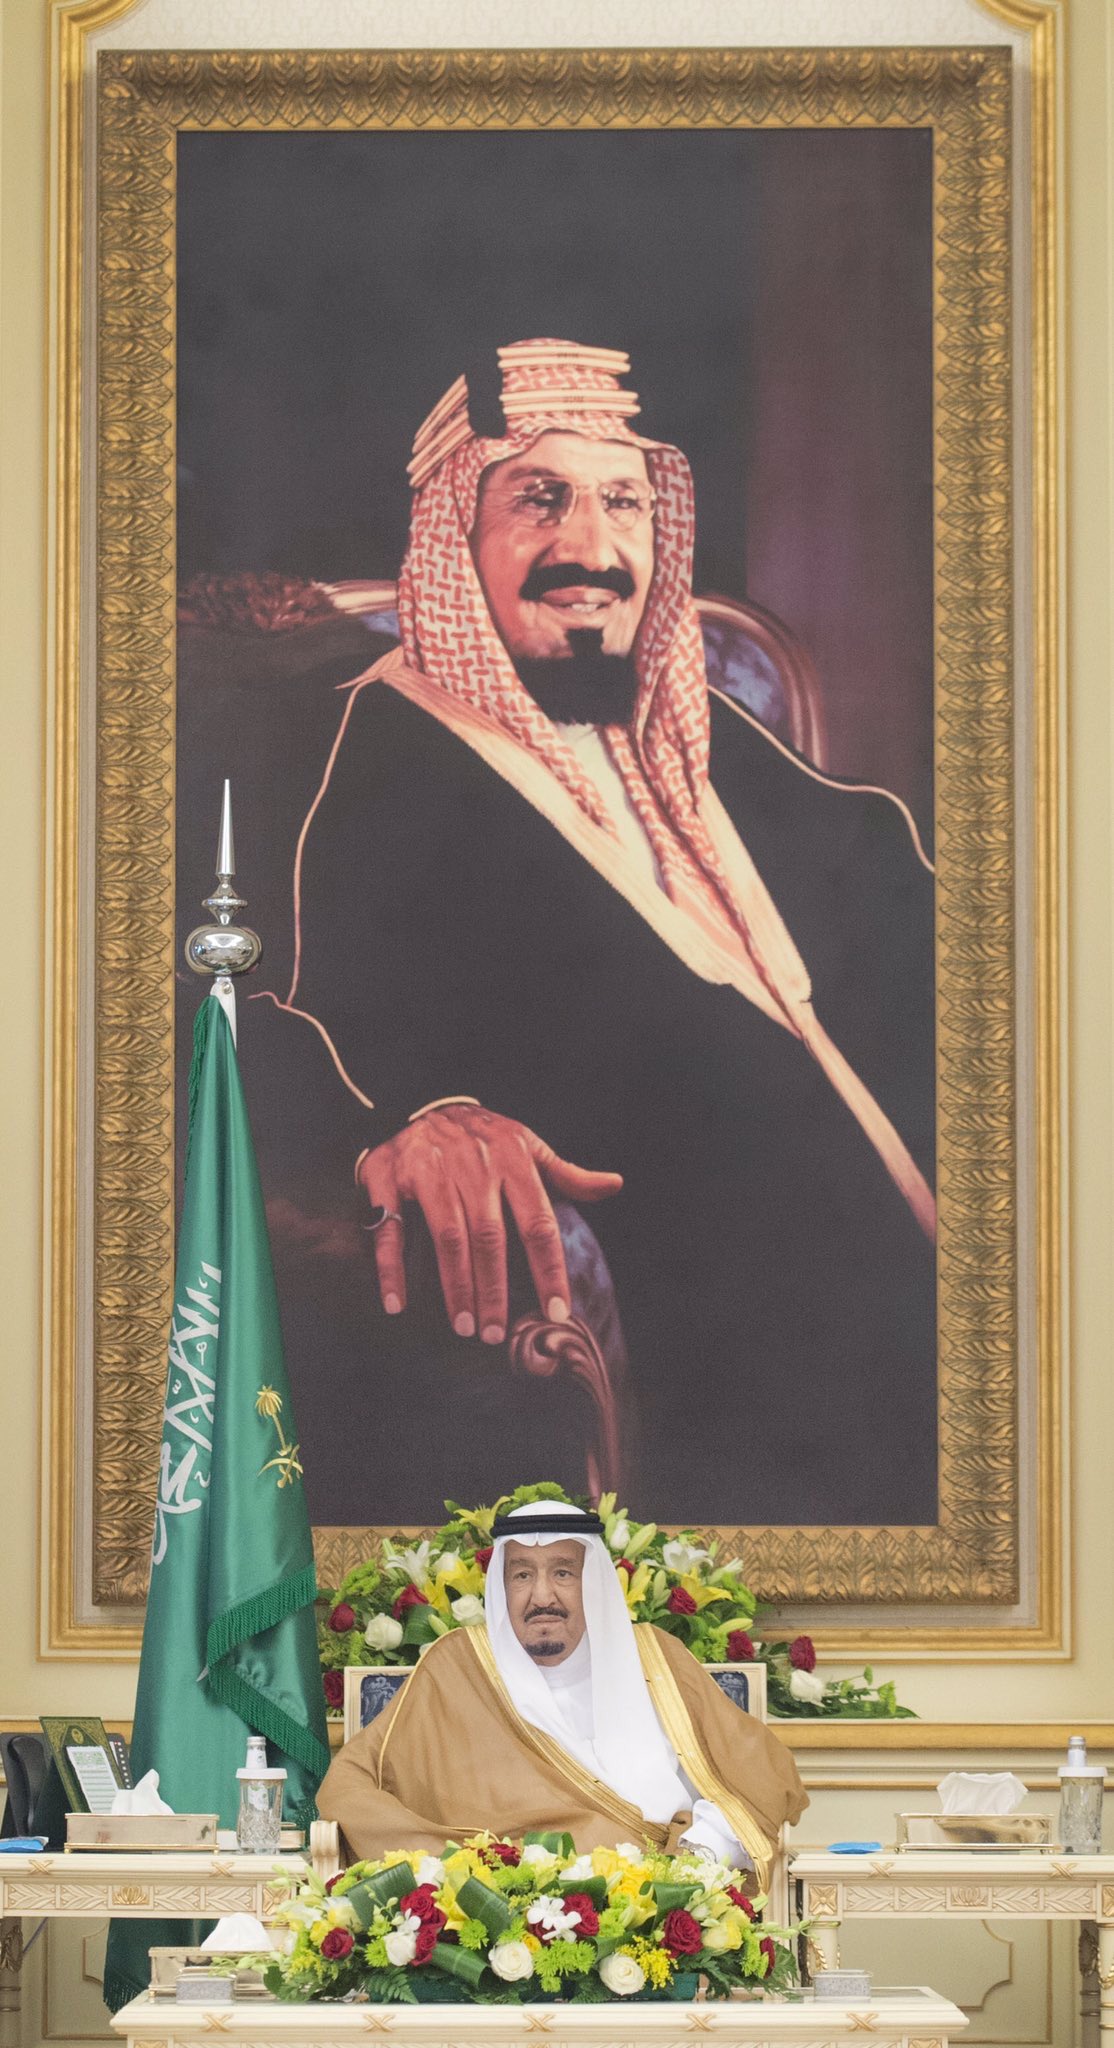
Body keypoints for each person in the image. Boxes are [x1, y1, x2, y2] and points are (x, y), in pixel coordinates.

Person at [250, 336, 937, 1527]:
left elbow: (909, 904)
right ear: (453, 536)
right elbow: (254, 1004)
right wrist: (409, 1121)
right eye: (539, 499)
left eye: (623, 501)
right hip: (740, 1369)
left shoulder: (701, 729)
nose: (592, 548)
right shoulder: (366, 758)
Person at [316, 1502, 806, 1889]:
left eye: (563, 1573)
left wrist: (697, 1857)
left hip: (656, 1904)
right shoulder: (455, 1668)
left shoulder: (656, 1657)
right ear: (501, 1586)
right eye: (522, 1575)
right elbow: (348, 1788)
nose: (542, 1596)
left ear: (592, 1582)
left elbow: (763, 1774)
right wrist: (449, 1872)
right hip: (495, 1917)